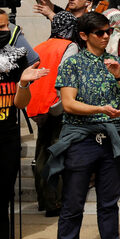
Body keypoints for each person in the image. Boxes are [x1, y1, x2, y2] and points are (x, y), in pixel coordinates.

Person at [50, 11, 120, 239]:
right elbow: (68, 103)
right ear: (84, 35)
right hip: (81, 137)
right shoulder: (73, 64)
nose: (105, 36)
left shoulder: (118, 63)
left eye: (108, 32)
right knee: (73, 203)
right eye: (99, 32)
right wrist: (99, 109)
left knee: (109, 201)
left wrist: (119, 77)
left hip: (112, 137)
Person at [0, 6, 49, 239]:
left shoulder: (8, 58)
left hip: (5, 139)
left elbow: (20, 104)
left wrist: (23, 83)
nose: (5, 33)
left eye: (6, 27)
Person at [26, 12, 80, 216]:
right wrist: (62, 105)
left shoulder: (40, 46)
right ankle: (55, 202)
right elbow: (65, 77)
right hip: (57, 107)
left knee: (42, 153)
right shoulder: (69, 46)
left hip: (39, 108)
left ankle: (44, 200)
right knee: (56, 154)